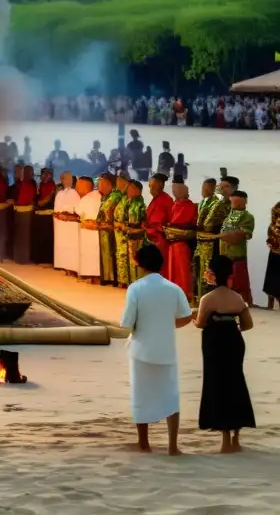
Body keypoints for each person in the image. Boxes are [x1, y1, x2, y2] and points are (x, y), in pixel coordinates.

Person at [120, 244, 192, 456]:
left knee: (141, 395)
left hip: (141, 350)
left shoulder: (135, 288)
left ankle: (144, 443)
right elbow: (185, 316)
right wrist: (167, 325)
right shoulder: (173, 288)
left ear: (140, 264)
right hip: (166, 350)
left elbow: (127, 322)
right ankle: (173, 446)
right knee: (171, 396)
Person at [195, 255, 255, 453]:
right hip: (234, 340)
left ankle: (225, 440)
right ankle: (236, 438)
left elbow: (201, 323)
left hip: (214, 342)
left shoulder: (208, 298)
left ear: (211, 275)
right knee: (236, 383)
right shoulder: (237, 297)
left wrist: (195, 318)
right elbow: (248, 324)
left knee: (217, 385)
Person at [164, 179, 198, 303]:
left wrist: (175, 231)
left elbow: (190, 226)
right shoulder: (174, 204)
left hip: (182, 242)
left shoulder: (190, 206)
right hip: (172, 242)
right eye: (173, 189)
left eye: (176, 189)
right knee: (172, 269)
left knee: (182, 270)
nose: (174, 192)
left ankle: (185, 295)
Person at [219, 189, 255, 305]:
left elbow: (243, 234)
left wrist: (225, 235)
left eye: (237, 202)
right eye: (233, 201)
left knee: (240, 281)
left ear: (245, 202)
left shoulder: (247, 216)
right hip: (224, 254)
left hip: (237, 255)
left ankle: (244, 303)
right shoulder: (229, 214)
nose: (234, 204)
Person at [143, 173, 173, 280]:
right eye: (150, 185)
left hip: (160, 240)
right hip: (152, 238)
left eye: (152, 185)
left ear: (160, 184)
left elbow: (162, 222)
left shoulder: (165, 200)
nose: (150, 187)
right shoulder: (156, 199)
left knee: (160, 268)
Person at [96, 172, 123, 285]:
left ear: (108, 184)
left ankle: (112, 278)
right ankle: (107, 277)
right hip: (104, 229)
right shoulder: (105, 197)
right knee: (105, 253)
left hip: (111, 229)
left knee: (110, 252)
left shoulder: (114, 196)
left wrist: (97, 223)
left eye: (101, 183)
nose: (98, 185)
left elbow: (106, 213)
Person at [52, 171, 80, 274]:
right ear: (62, 180)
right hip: (59, 224)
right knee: (61, 246)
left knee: (70, 246)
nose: (68, 180)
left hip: (69, 225)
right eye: (65, 178)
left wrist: (66, 216)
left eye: (70, 178)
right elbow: (56, 208)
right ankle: (64, 267)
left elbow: (76, 210)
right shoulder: (60, 193)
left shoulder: (74, 192)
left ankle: (71, 269)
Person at [74, 177, 101, 281]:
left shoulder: (86, 199)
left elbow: (78, 213)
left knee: (89, 254)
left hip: (89, 230)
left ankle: (90, 276)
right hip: (97, 230)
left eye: (78, 185)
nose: (76, 189)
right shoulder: (99, 196)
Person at [31, 168, 56, 264]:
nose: (42, 176)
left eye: (45, 174)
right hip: (40, 214)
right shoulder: (41, 184)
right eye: (42, 174)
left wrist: (39, 203)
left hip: (47, 215)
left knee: (46, 238)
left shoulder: (51, 185)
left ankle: (46, 259)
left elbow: (45, 200)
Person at [264, 200, 280, 310]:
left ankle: (270, 306)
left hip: (275, 250)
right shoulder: (277, 208)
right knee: (273, 278)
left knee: (272, 279)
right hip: (275, 250)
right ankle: (270, 305)